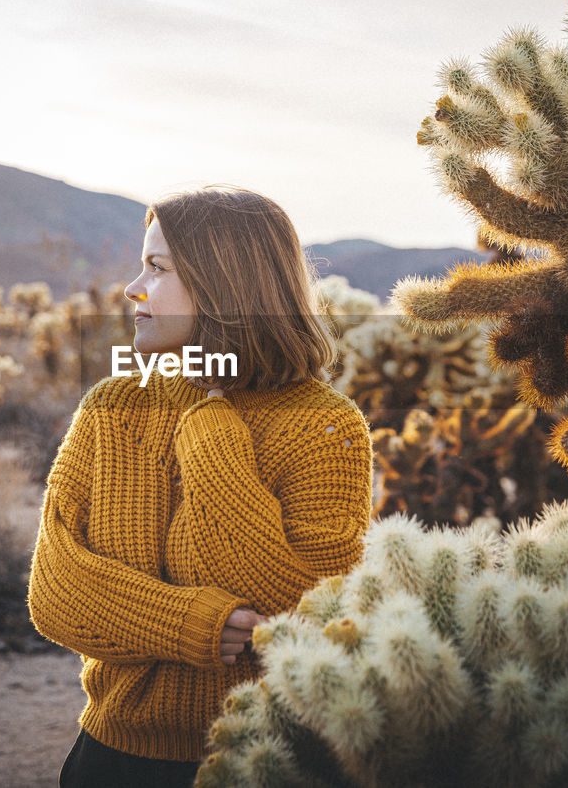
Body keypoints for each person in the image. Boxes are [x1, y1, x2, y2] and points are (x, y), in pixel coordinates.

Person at [28, 186, 375, 786]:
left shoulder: (325, 425)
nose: (132, 288)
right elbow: (56, 590)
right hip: (112, 758)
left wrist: (212, 431)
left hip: (268, 761)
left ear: (223, 286)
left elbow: (305, 610)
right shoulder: (111, 408)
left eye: (156, 268)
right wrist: (191, 623)